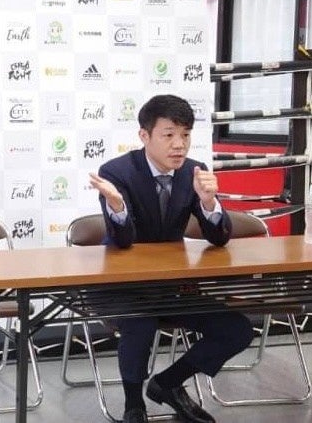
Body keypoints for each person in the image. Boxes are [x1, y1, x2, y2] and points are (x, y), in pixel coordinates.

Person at [89, 94, 254, 423]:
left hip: (170, 286)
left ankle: (167, 384)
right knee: (141, 321)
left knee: (237, 329)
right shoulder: (117, 172)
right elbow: (123, 241)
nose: (179, 144)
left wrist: (209, 203)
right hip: (121, 286)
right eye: (168, 135)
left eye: (186, 135)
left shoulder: (193, 171)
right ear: (144, 135)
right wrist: (118, 207)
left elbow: (219, 238)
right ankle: (133, 405)